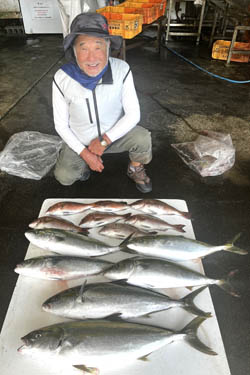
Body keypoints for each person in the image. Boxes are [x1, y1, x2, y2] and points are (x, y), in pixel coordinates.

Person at [52, 12, 152, 193]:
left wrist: (104, 141)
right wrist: (85, 154)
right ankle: (82, 164)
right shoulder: (62, 78)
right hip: (81, 141)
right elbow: (61, 125)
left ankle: (135, 167)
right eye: (83, 48)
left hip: (114, 136)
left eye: (98, 47)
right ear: (74, 50)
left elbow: (133, 114)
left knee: (142, 138)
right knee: (64, 177)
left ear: (108, 47)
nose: (92, 58)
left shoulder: (122, 70)